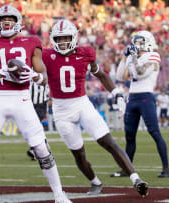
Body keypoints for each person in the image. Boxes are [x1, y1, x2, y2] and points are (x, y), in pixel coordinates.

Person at [0, 5, 70, 203]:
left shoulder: (31, 42)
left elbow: (43, 75)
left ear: (19, 22)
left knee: (41, 150)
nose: (6, 23)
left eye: (10, 19)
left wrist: (36, 76)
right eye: (2, 20)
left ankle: (59, 195)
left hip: (22, 98)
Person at [42, 19, 148, 197]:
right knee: (79, 154)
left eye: (66, 38)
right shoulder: (46, 55)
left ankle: (136, 179)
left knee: (108, 142)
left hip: (82, 104)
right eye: (59, 39)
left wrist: (116, 92)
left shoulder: (86, 53)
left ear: (74, 37)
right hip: (61, 110)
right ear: (53, 39)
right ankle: (95, 182)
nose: (62, 42)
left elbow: (100, 74)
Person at [115, 30, 169, 178]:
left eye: (138, 41)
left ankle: (166, 168)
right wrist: (123, 57)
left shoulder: (153, 55)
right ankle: (127, 168)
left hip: (146, 96)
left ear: (147, 42)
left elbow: (140, 73)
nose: (135, 44)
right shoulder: (134, 57)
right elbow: (121, 76)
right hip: (132, 98)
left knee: (154, 132)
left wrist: (132, 57)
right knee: (129, 136)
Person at [27, 82, 50, 160]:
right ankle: (44, 147)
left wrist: (46, 110)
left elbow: (47, 96)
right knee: (35, 128)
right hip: (31, 105)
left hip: (41, 106)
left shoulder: (44, 81)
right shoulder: (29, 80)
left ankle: (35, 150)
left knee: (35, 127)